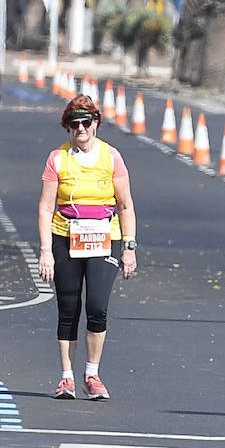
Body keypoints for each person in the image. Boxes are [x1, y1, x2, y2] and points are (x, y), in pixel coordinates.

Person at [38, 95, 138, 401]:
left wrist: (130, 247)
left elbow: (126, 205)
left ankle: (92, 375)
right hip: (65, 236)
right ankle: (66, 377)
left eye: (86, 122)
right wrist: (45, 251)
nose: (80, 128)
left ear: (96, 123)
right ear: (67, 127)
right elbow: (45, 208)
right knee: (68, 308)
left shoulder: (112, 157)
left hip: (105, 238)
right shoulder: (57, 158)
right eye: (74, 124)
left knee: (96, 306)